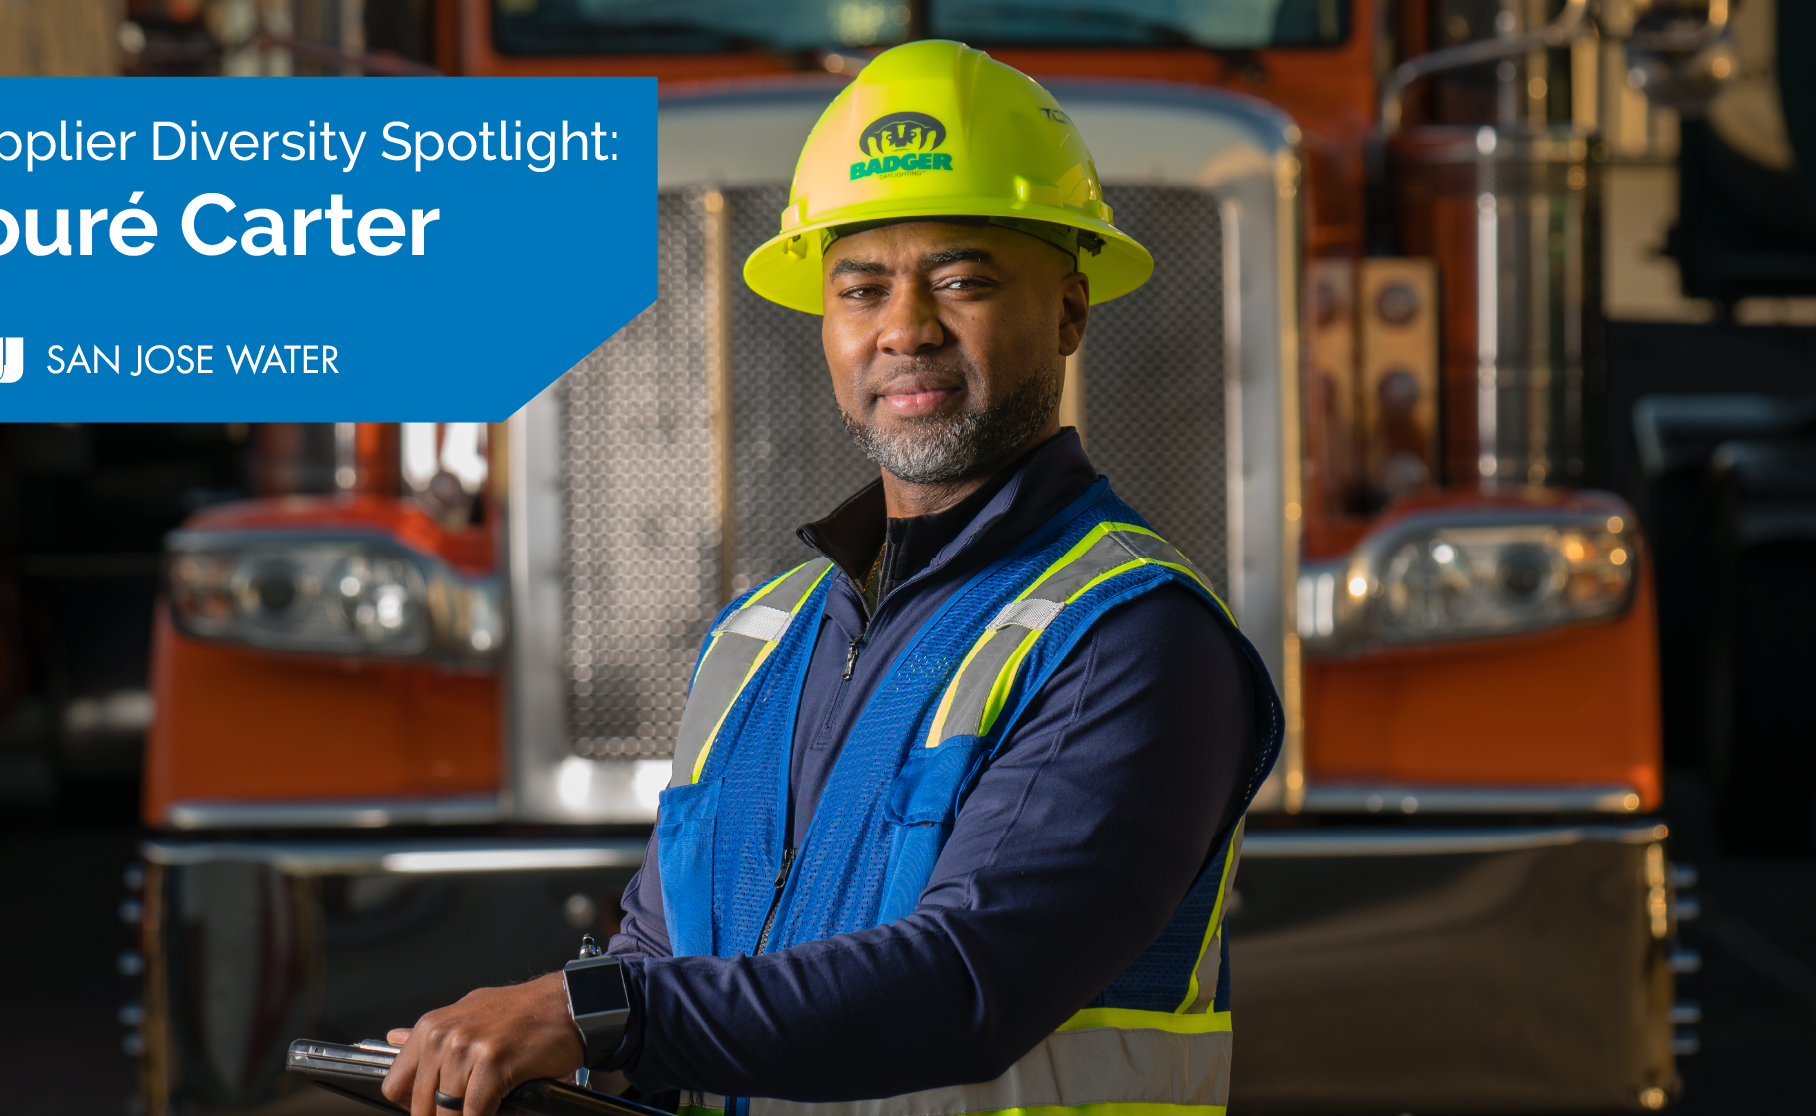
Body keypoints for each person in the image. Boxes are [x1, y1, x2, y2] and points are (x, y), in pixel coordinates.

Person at [382, 39, 1282, 1116]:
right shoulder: (760, 639)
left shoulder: (1128, 639)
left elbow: (969, 983)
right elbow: (663, 957)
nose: (904, 328)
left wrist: (595, 1014)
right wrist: (533, 1057)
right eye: (861, 288)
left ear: (1071, 314)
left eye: (961, 280)